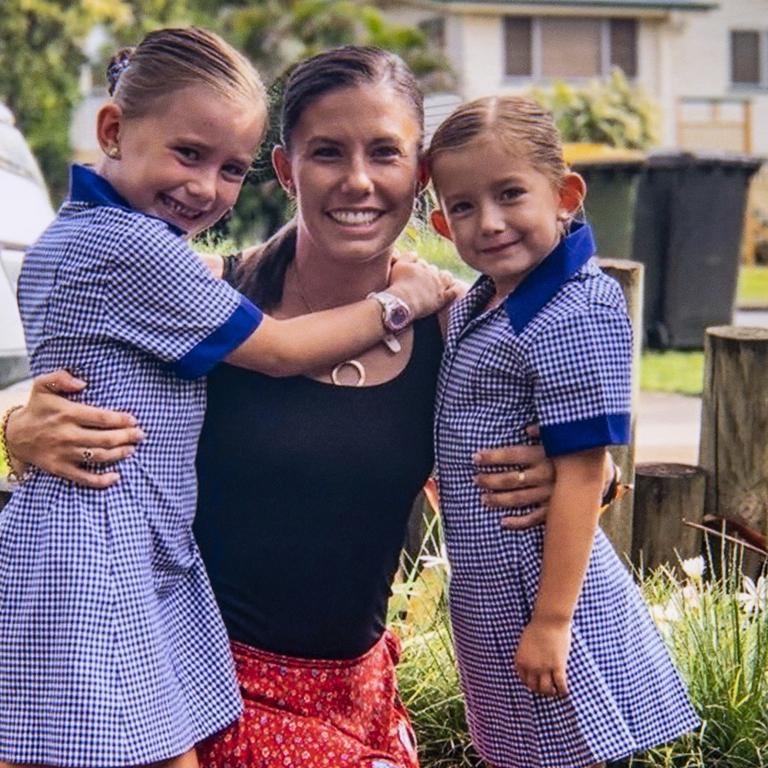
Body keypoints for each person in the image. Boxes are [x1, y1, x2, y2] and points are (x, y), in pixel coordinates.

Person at [2, 49, 619, 768]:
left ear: (418, 175)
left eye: (384, 152)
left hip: (355, 703)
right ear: (287, 169)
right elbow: (75, 366)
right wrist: (17, 427)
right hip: (187, 687)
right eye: (327, 152)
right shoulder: (206, 296)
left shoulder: (455, 332)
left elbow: (563, 459)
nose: (357, 179)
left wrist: (582, 480)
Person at [426, 94, 699, 768]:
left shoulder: (573, 309)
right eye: (463, 206)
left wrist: (552, 622)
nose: (488, 223)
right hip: (491, 579)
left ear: (565, 195)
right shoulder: (490, 300)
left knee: (560, 752)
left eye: (510, 194)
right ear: (440, 221)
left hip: (537, 583)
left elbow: (582, 469)